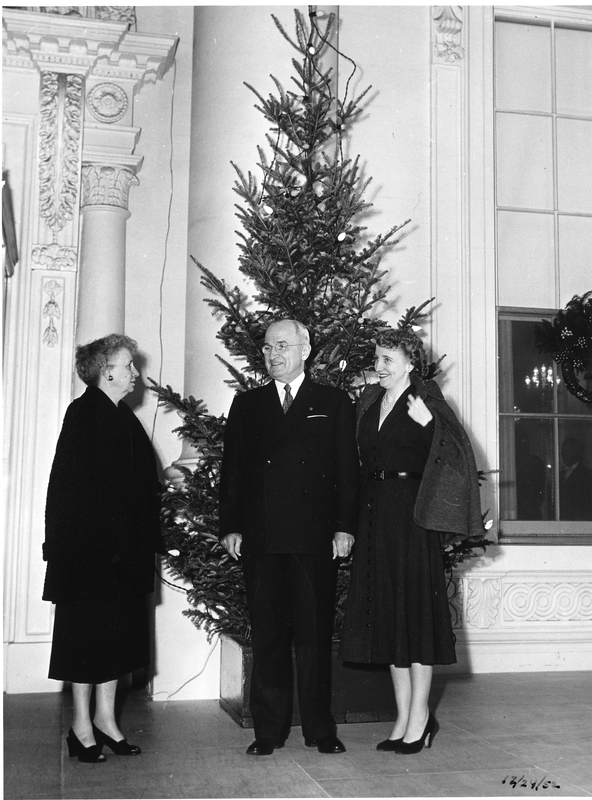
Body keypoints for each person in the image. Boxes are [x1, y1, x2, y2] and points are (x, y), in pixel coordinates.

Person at [339, 327, 483, 754]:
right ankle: (402, 716)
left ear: (408, 363)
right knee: (389, 618)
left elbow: (458, 455)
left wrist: (430, 426)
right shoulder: (368, 403)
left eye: (387, 359)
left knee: (414, 619)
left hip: (411, 519)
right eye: (376, 358)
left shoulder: (427, 399)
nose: (379, 366)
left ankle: (420, 717)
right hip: (373, 515)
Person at [219, 319, 360, 756]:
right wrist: (230, 526)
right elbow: (234, 473)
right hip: (261, 538)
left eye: (282, 345)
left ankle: (320, 729)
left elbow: (345, 471)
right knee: (267, 636)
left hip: (313, 537)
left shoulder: (333, 401)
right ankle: (268, 731)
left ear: (306, 348)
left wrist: (344, 526)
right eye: (266, 348)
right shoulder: (247, 404)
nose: (273, 354)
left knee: (314, 637)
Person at [42, 334, 163, 763]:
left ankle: (107, 722)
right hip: (88, 558)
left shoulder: (122, 416)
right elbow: (67, 492)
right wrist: (69, 551)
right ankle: (80, 727)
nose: (135, 373)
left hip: (123, 558)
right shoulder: (84, 413)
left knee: (119, 643)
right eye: (128, 365)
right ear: (106, 370)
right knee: (85, 643)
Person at [560, 436, 592, 520]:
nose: (563, 454)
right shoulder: (559, 475)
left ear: (577, 452)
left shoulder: (587, 474)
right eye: (563, 450)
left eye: (568, 450)